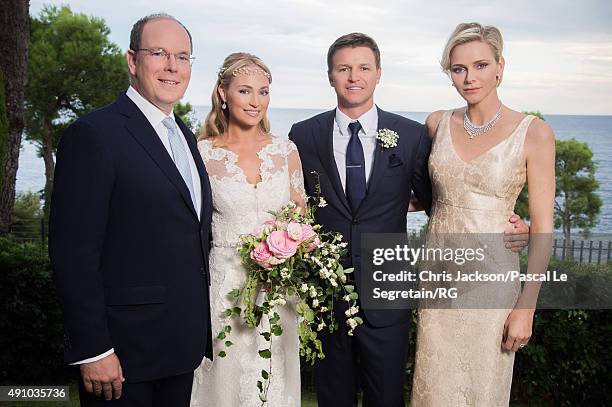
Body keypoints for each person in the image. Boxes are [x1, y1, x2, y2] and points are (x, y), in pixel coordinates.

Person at [289, 33, 530, 407]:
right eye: (344, 68)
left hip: (388, 292)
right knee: (331, 396)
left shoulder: (412, 135)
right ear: (330, 75)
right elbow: (290, 204)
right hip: (326, 294)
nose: (355, 76)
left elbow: (445, 201)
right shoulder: (303, 136)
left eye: (364, 68)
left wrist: (511, 222)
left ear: (378, 73)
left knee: (386, 397)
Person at [49, 13, 213, 406]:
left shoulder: (186, 137)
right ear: (131, 60)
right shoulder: (94, 135)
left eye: (183, 56)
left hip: (180, 349)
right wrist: (93, 349)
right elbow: (73, 254)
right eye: (159, 53)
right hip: (123, 355)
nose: (173, 66)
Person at [410, 22, 555, 406]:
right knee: (433, 388)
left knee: (482, 389)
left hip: (493, 279)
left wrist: (526, 307)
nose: (469, 77)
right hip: (438, 275)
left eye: (480, 65)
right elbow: (420, 197)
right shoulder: (436, 124)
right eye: (458, 69)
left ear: (499, 67)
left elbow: (542, 228)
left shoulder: (534, 133)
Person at [190, 52, 304, 407]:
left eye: (264, 91)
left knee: (273, 378)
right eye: (245, 91)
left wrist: (288, 258)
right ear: (223, 93)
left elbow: (301, 219)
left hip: (277, 289)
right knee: (226, 377)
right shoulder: (202, 154)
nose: (256, 102)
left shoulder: (286, 151)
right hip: (224, 286)